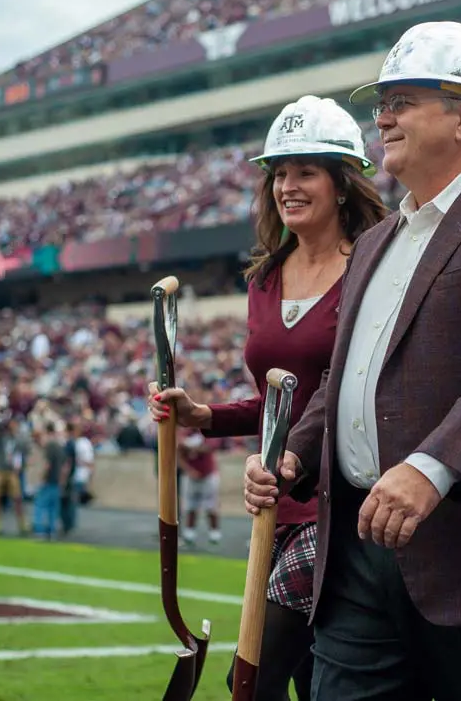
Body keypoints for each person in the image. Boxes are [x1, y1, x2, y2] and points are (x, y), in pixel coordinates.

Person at [245, 21, 461, 701]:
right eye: (382, 103)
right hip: (358, 554)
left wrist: (432, 468)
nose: (383, 116)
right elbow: (346, 376)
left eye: (403, 100)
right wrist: (294, 456)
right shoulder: (373, 244)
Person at [148, 95, 388, 701]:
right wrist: (204, 416)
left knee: (247, 679)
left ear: (342, 184)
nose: (288, 186)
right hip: (274, 505)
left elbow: (348, 394)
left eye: (306, 171)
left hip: (341, 502)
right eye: (279, 173)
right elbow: (283, 403)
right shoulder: (264, 280)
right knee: (315, 682)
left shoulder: (372, 267)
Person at [0, 412, 29, 536]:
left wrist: (21, 466)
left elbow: (23, 452)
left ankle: (22, 524)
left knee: (17, 498)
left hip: (11, 471)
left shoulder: (17, 438)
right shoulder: (0, 436)